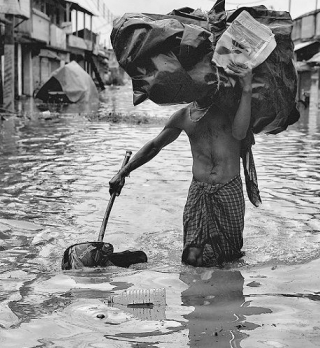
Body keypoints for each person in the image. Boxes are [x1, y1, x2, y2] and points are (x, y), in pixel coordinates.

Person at [109, 62, 260, 267]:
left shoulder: (229, 109)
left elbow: (241, 134)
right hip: (198, 192)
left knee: (230, 257)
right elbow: (155, 146)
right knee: (191, 258)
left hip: (228, 190)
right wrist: (123, 172)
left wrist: (247, 87)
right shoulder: (184, 116)